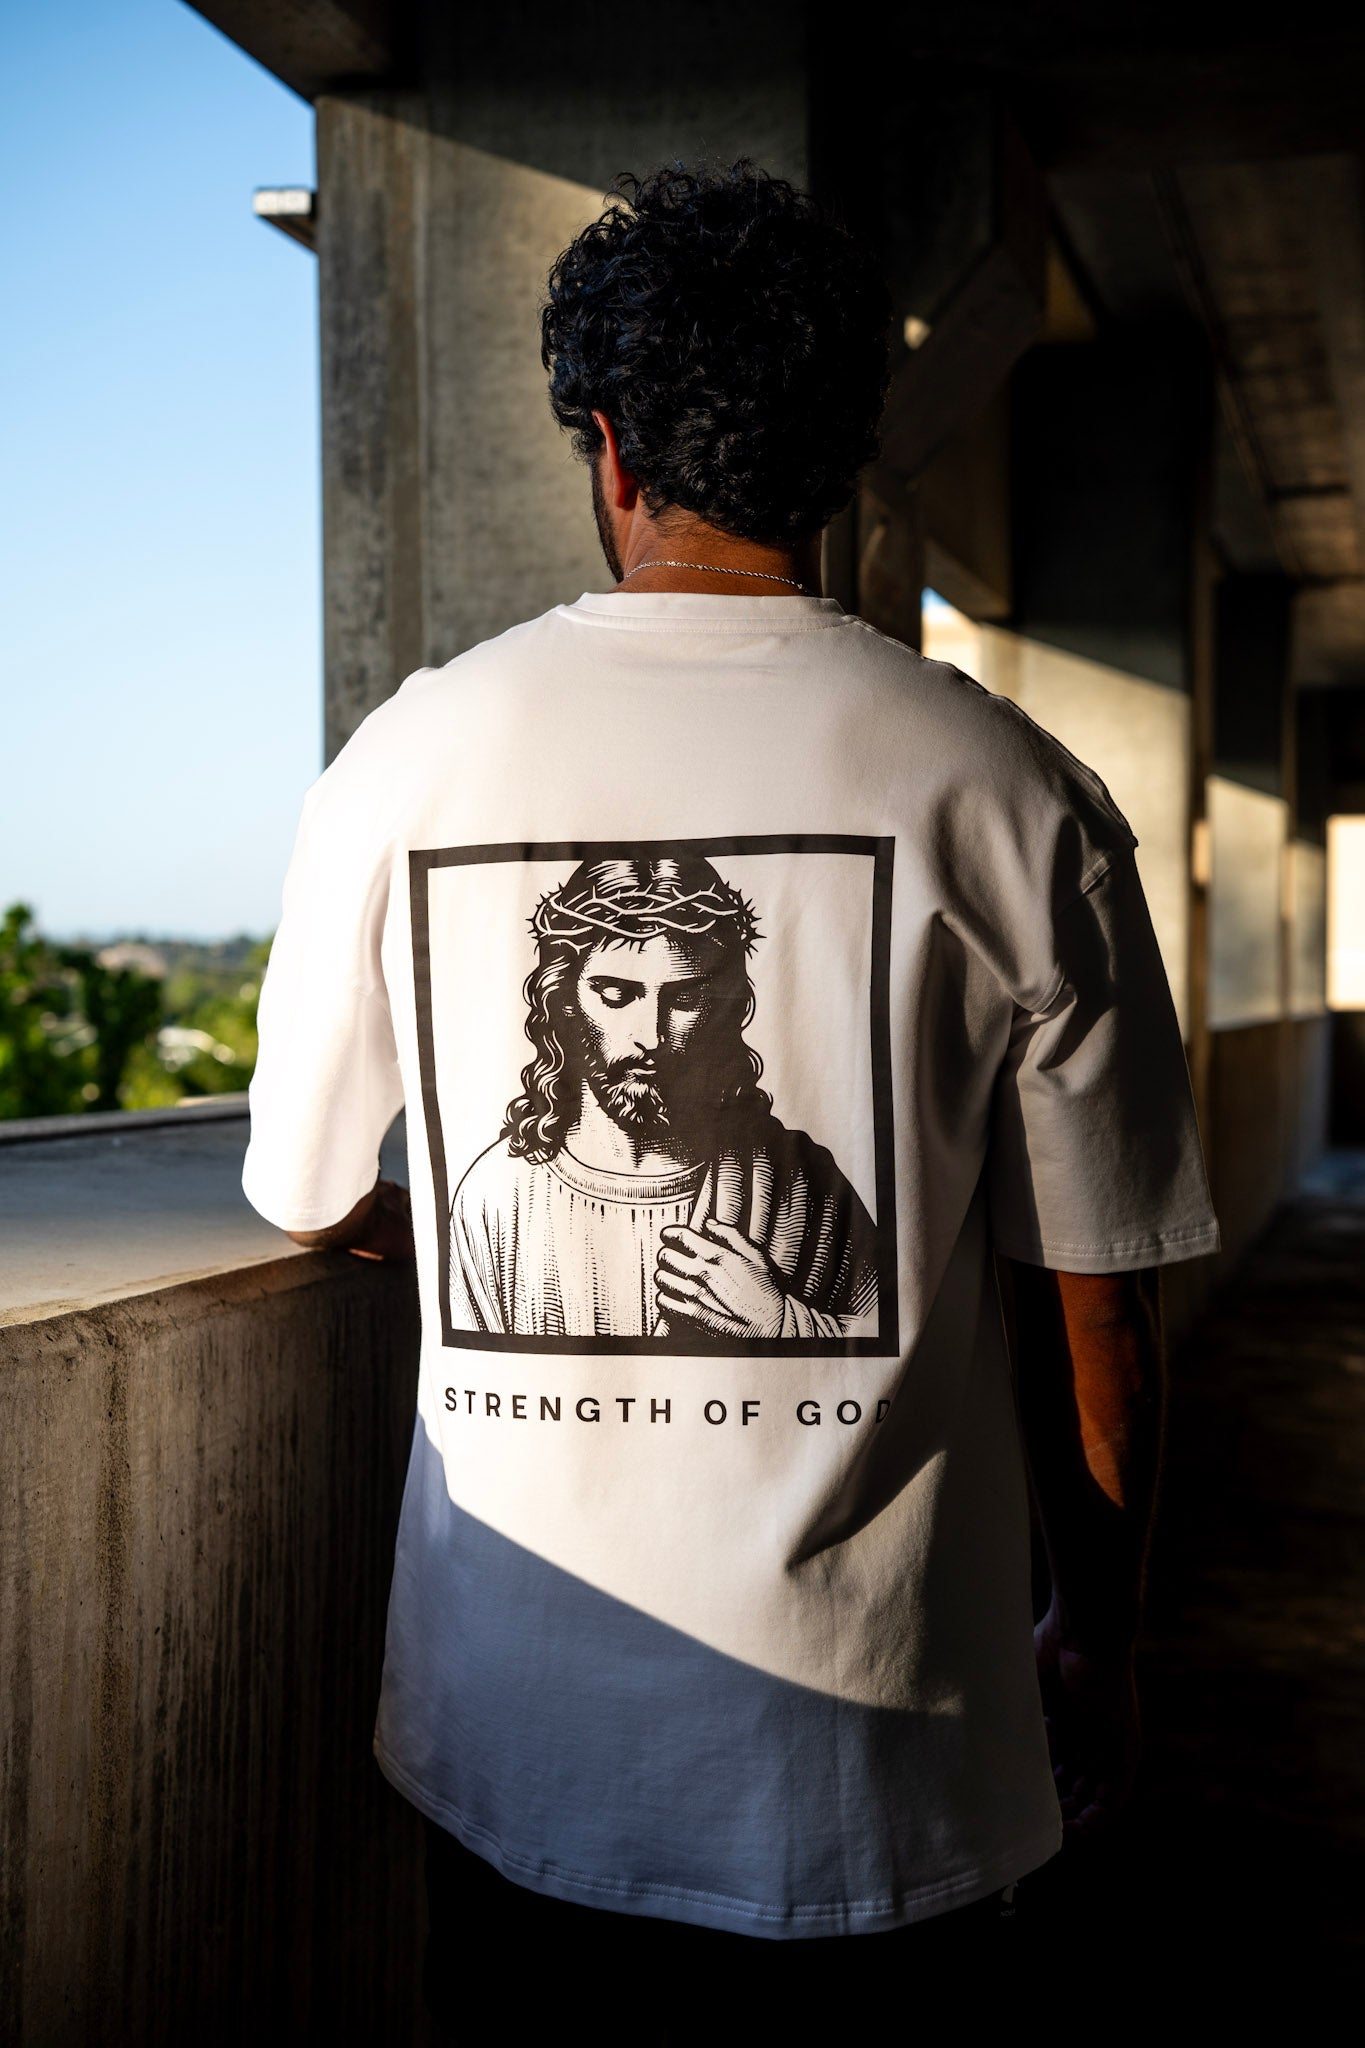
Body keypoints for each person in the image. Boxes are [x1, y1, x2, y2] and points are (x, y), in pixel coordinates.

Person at [243, 162, 1219, 2029]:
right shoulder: (1016, 791)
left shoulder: (411, 755)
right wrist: (1099, 1630)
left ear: (609, 449)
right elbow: (1099, 1295)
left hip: (520, 1759)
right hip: (892, 1773)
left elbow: (302, 1187)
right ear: (847, 455)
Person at [448, 850, 879, 1341]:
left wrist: (781, 1325)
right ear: (563, 1001)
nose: (650, 1036)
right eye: (616, 995)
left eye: (686, 998)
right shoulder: (495, 1199)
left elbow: (900, 1344)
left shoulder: (801, 1184)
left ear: (725, 1008)